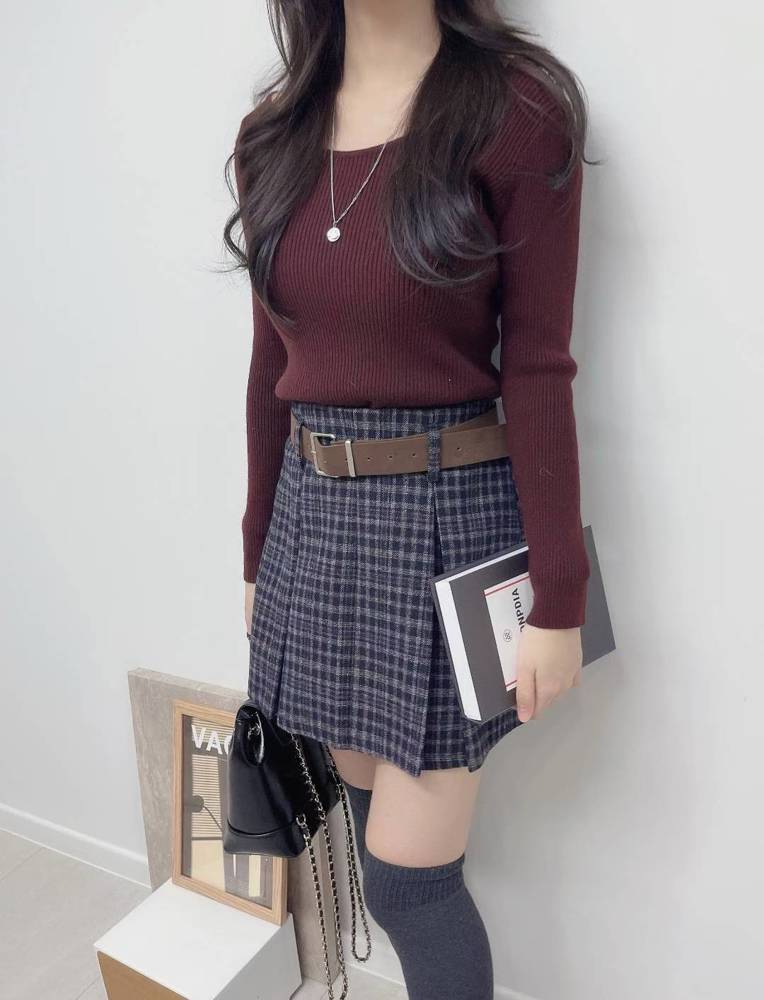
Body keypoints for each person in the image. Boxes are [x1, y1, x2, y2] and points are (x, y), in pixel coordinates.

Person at [223, 2, 592, 996]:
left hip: (446, 522)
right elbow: (269, 372)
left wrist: (559, 596)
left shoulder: (516, 111)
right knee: (361, 826)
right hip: (314, 525)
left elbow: (539, 366)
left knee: (408, 885)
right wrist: (256, 553)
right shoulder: (273, 134)